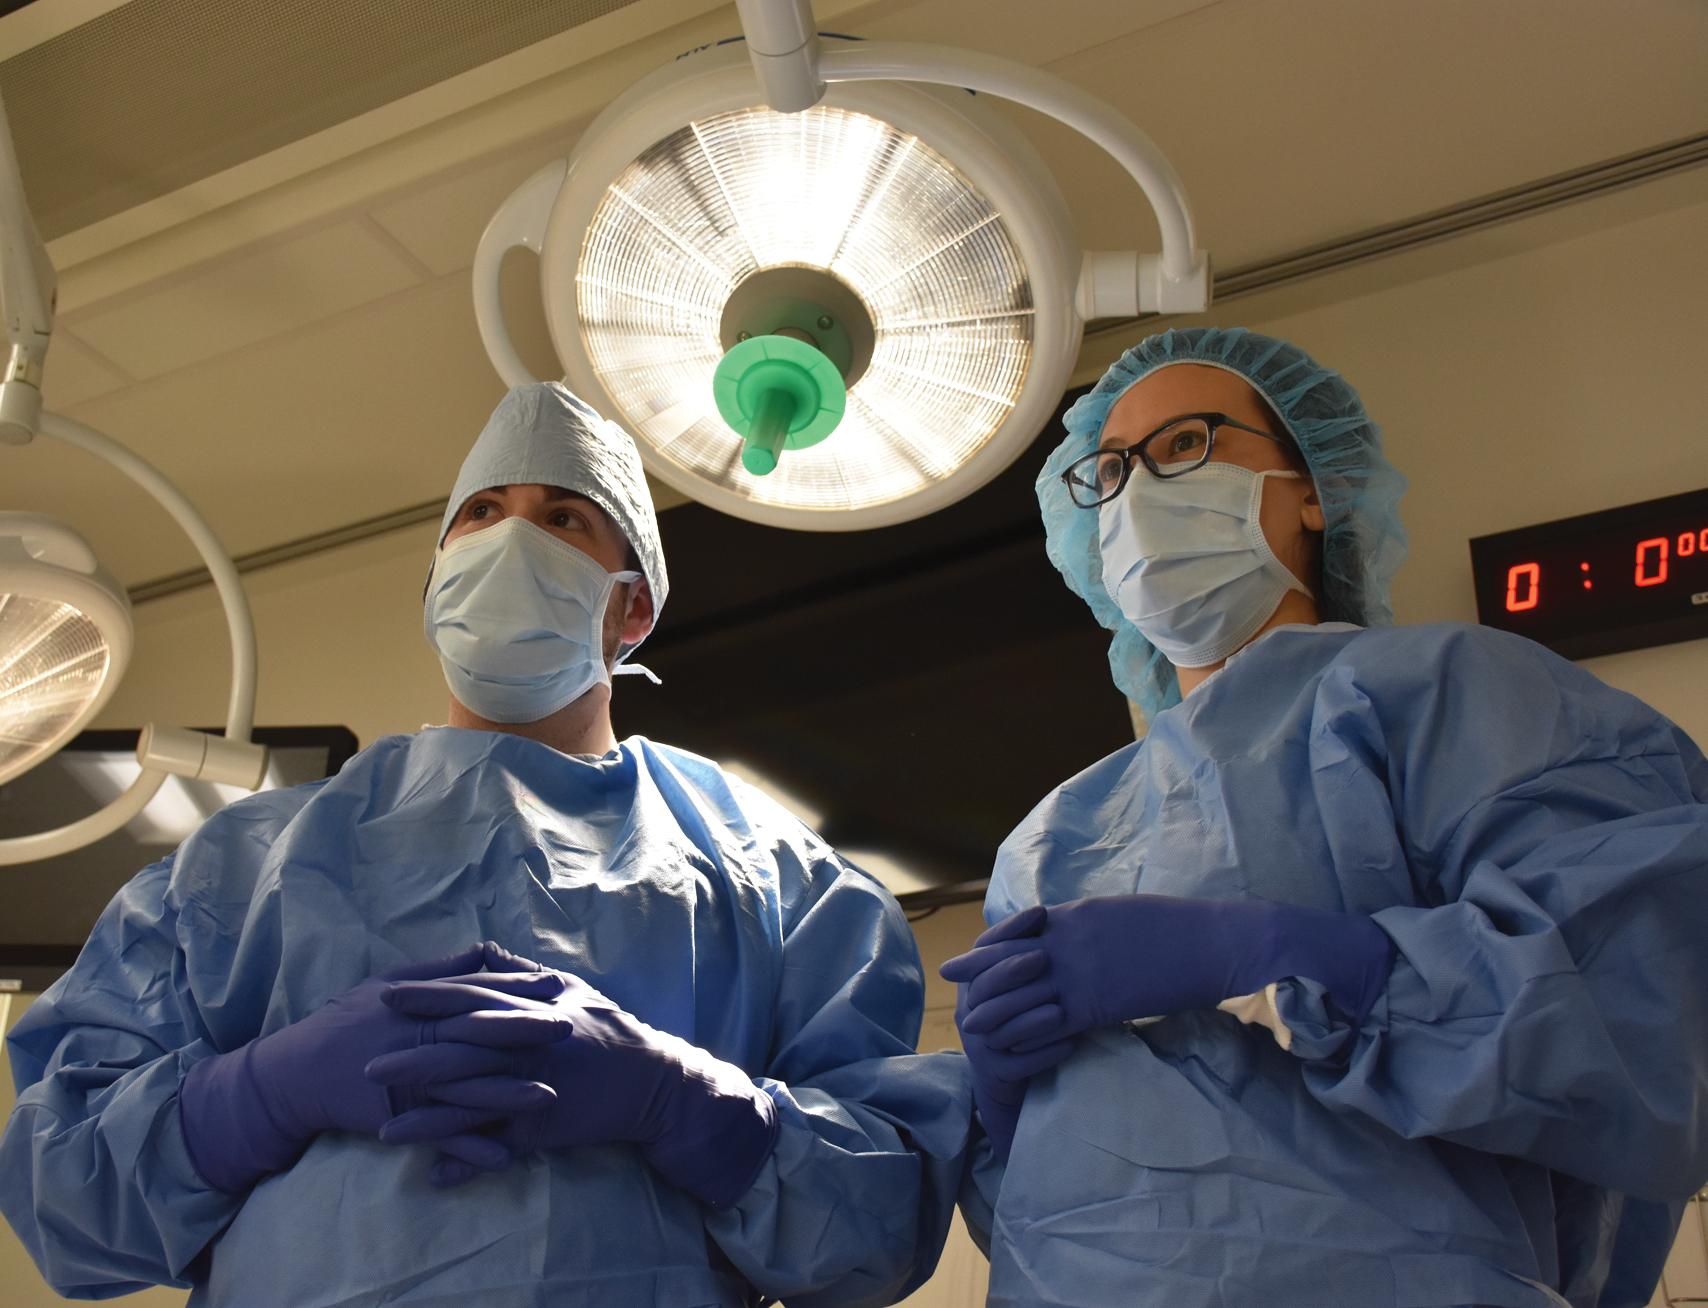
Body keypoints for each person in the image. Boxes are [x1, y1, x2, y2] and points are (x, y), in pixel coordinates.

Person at [0, 382, 972, 1307]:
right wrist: (259, 1092)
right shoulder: (239, 868)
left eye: (562, 519)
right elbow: (64, 1191)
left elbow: (882, 1222)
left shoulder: (777, 880)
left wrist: (682, 1102)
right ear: (435, 591)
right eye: (480, 515)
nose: (510, 536)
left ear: (632, 607)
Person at [941, 327, 1708, 1307]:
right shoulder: (1051, 838)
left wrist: (1290, 958)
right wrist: (1004, 1110)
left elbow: (1647, 1011)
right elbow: (1050, 1209)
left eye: (1184, 444)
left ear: (1311, 490)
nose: (1137, 491)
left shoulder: (1451, 698)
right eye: (1108, 469)